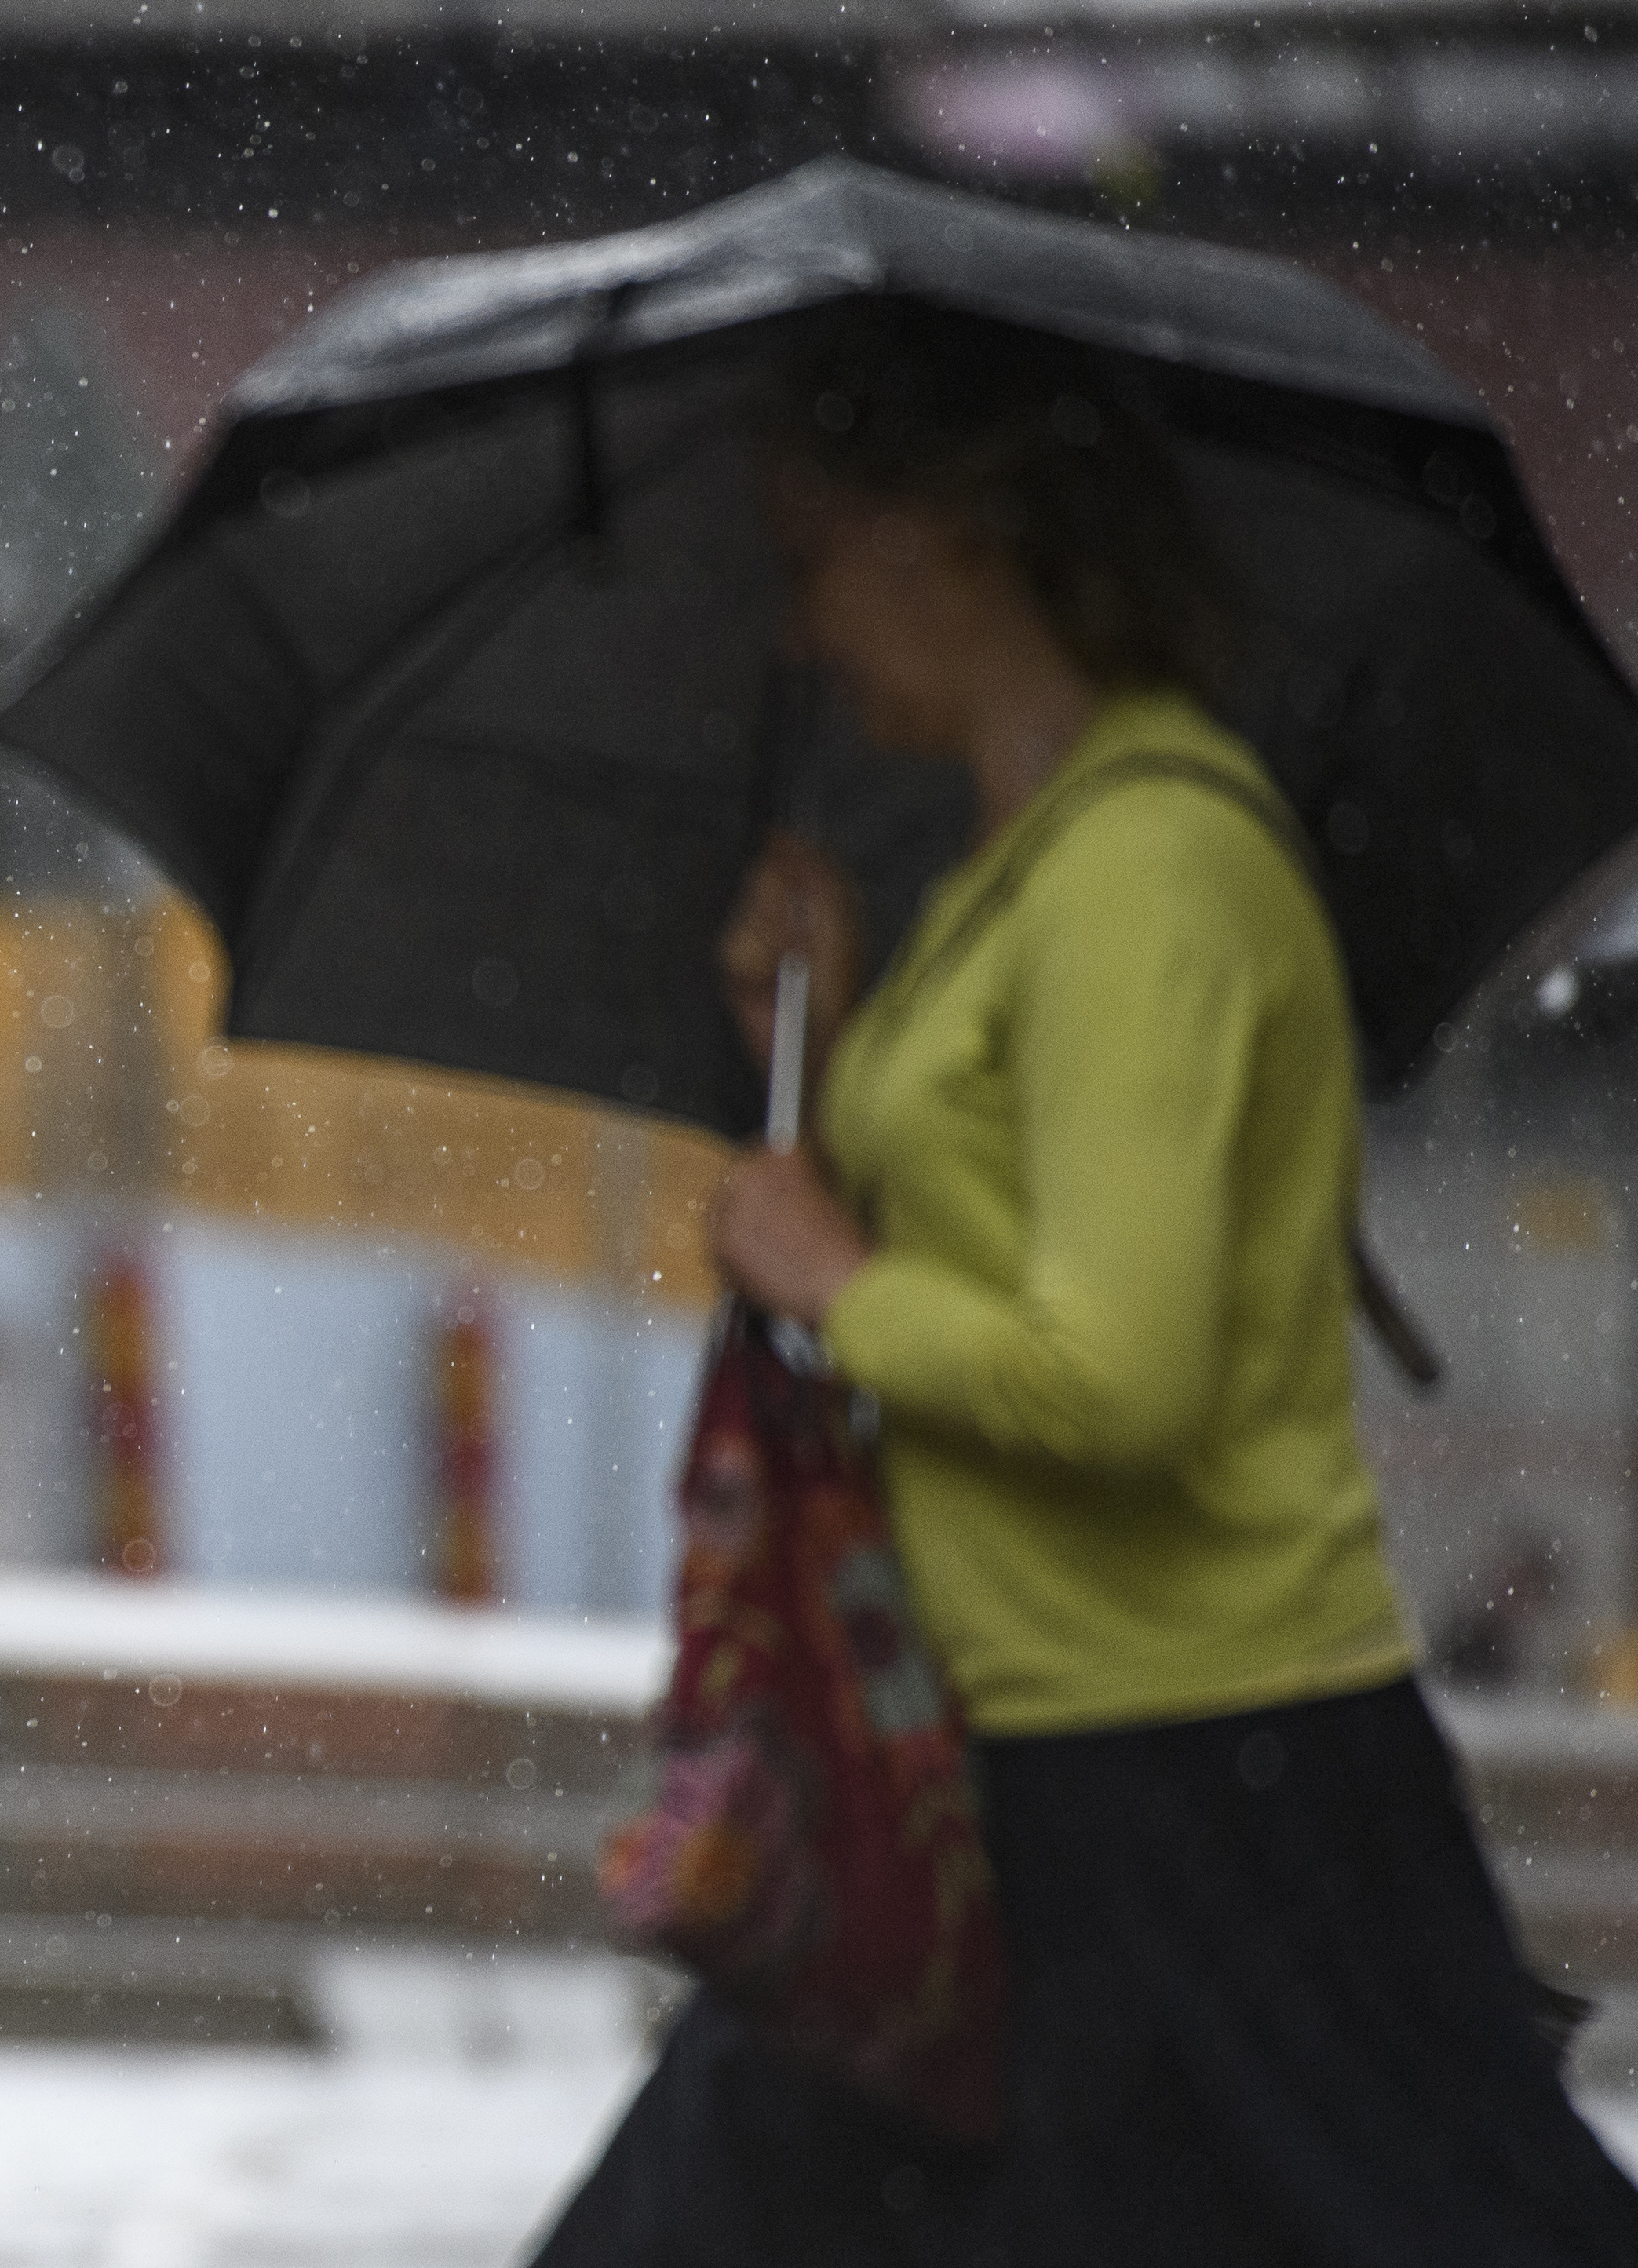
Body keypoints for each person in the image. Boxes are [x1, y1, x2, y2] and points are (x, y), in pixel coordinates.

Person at [538, 306, 1638, 2265]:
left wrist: (830, 1270)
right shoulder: (1029, 865)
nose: (797, 631)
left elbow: (1116, 1376)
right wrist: (821, 1023)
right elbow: (1013, 1214)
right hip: (1009, 1756)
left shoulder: (1148, 871)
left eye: (811, 562)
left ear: (947, 534)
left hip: (1198, 1775)